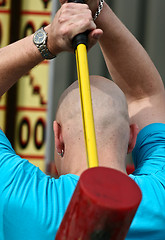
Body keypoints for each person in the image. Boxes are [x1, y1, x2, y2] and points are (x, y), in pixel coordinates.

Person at [0, 0, 165, 239]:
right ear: (132, 138)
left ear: (58, 137)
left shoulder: (20, 197)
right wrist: (97, 8)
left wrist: (49, 40)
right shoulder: (158, 199)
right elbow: (145, 95)